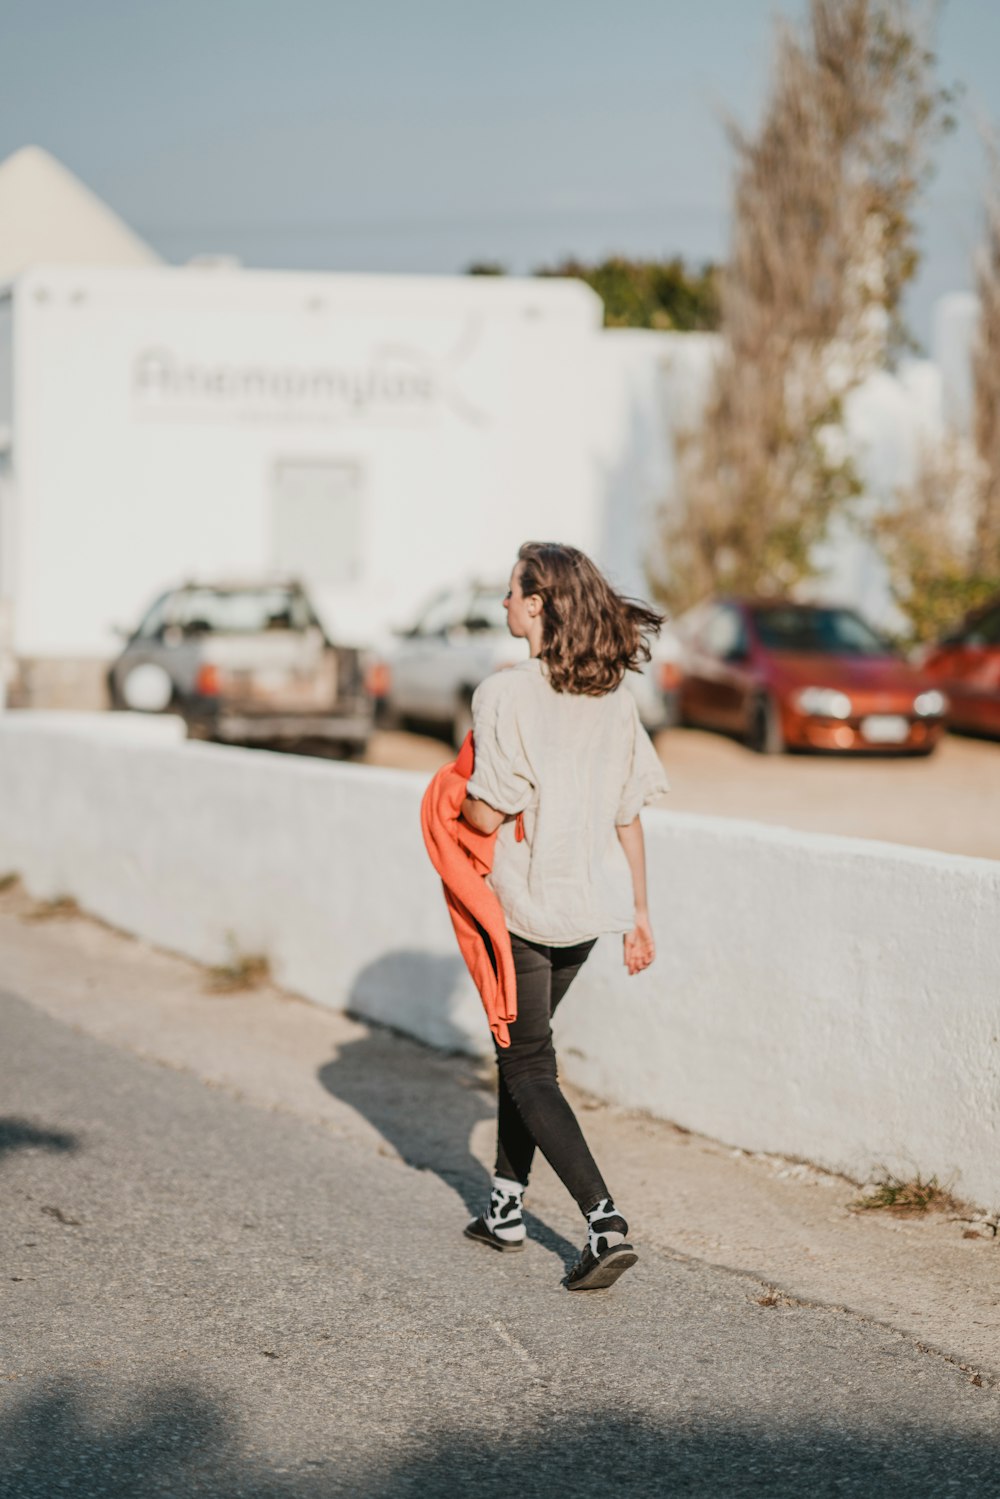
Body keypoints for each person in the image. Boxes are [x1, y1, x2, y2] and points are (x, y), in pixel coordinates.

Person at [460, 541, 669, 1291]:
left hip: (521, 907)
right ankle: (505, 1208)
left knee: (524, 1062)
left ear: (540, 602)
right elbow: (629, 814)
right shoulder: (613, 697)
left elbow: (488, 811)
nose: (504, 604)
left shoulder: (504, 693)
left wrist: (449, 801)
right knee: (529, 1058)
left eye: (511, 592)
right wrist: (639, 912)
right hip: (585, 914)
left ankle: (603, 1218)